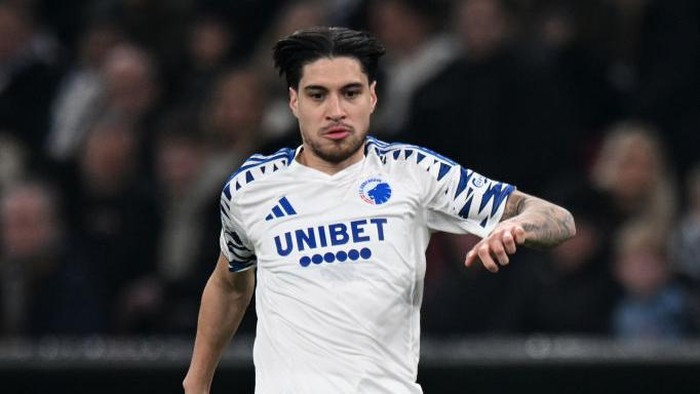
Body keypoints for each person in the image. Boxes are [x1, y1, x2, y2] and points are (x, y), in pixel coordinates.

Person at [183, 26, 576, 393]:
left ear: (372, 97)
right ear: (293, 101)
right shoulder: (250, 189)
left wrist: (517, 227)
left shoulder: (414, 172)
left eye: (350, 93)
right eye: (318, 95)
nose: (335, 110)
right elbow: (229, 283)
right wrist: (196, 383)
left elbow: (558, 218)